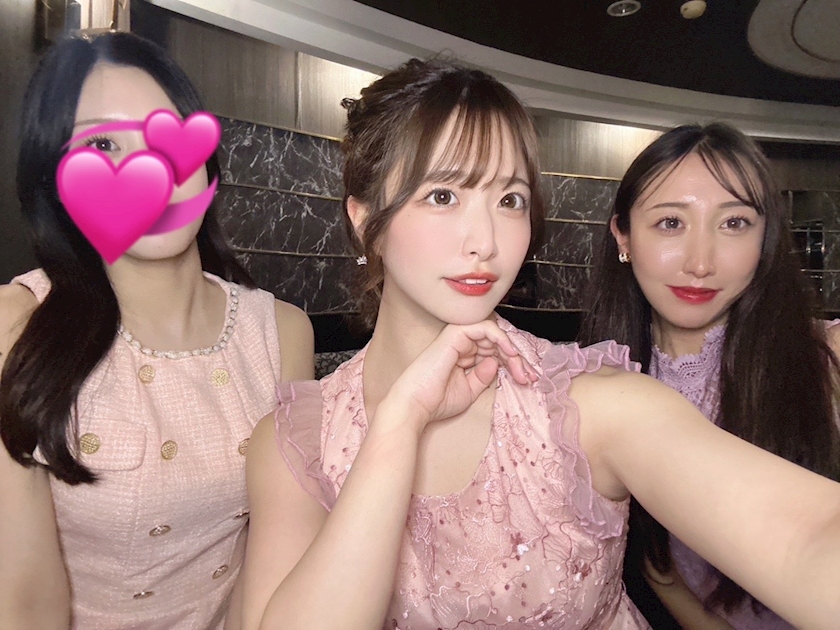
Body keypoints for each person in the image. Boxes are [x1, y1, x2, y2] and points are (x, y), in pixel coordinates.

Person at [236, 59, 840, 630]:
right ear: (366, 219)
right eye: (443, 196)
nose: (485, 241)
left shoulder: (589, 403)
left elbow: (807, 538)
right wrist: (397, 425)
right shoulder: (295, 442)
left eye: (510, 200)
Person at [0, 32, 314, 629]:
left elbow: (275, 558)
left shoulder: (282, 332)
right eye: (102, 144)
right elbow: (24, 601)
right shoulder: (15, 326)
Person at [578, 122, 840, 629]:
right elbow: (659, 569)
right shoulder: (597, 391)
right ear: (623, 236)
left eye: (734, 223)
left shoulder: (825, 358)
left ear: (765, 239)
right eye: (670, 223)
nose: (700, 263)